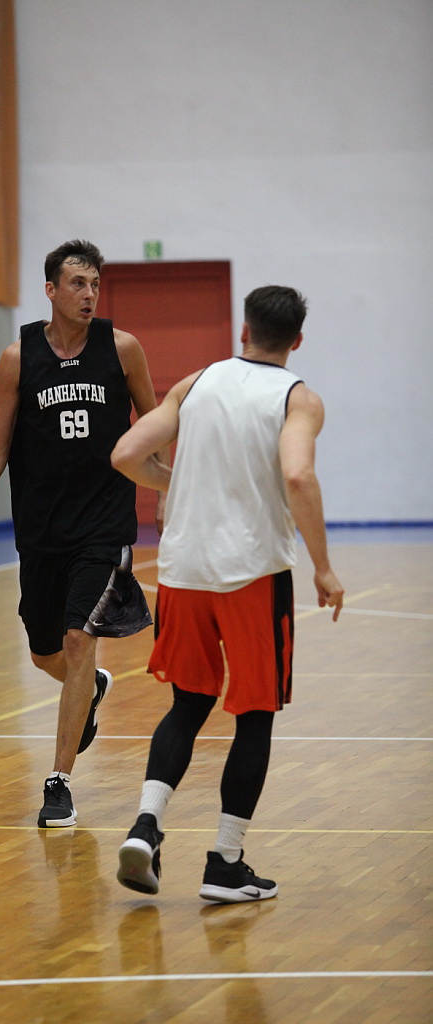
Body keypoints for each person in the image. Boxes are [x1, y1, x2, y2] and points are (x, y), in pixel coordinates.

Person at [111, 284, 344, 903]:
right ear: (297, 340)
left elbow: (127, 453)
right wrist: (323, 567)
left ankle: (146, 826)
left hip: (182, 571)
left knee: (187, 705)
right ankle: (225, 862)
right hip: (252, 574)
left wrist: (174, 481)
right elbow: (297, 474)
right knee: (254, 713)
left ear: (244, 330)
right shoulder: (299, 398)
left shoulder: (197, 382)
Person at [0, 239, 161, 828]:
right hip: (40, 530)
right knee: (45, 653)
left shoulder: (122, 349)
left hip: (103, 526)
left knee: (79, 640)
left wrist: (167, 490)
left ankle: (58, 783)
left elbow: (156, 425)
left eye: (95, 285)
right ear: (51, 290)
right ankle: (92, 687)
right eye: (78, 284)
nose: (89, 295)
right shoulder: (19, 357)